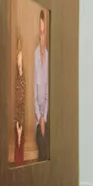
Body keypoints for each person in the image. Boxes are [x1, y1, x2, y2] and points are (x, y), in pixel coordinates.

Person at [33, 10, 50, 161]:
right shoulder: (35, 55)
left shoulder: (48, 56)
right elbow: (34, 93)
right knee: (40, 138)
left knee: (47, 141)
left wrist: (45, 116)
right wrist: (39, 117)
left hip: (47, 112)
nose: (42, 34)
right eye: (40, 30)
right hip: (38, 115)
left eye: (44, 30)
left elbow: (48, 92)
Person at [13, 36, 27, 166]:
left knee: (19, 137)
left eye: (20, 59)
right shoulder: (17, 77)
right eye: (18, 59)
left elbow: (22, 99)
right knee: (17, 136)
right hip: (16, 112)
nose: (19, 62)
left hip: (20, 112)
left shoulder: (22, 78)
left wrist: (20, 123)